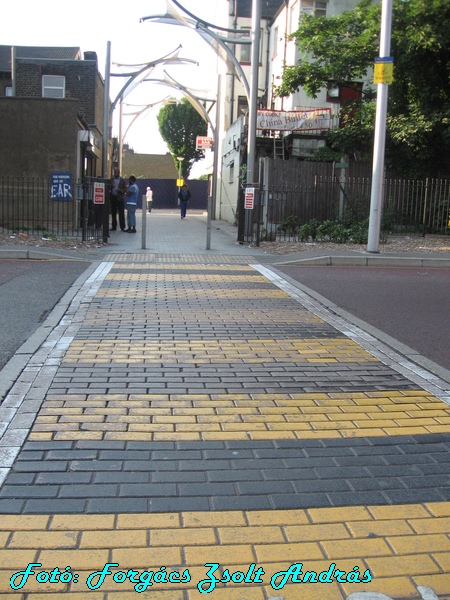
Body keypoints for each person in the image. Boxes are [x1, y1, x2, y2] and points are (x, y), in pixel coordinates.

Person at [109, 167, 126, 231]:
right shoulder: (112, 179)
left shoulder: (122, 180)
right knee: (113, 213)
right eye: (114, 172)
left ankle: (122, 227)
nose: (115, 173)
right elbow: (108, 188)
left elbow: (125, 189)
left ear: (119, 172)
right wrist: (111, 186)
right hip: (113, 197)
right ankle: (114, 226)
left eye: (116, 172)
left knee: (121, 213)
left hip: (120, 198)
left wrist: (120, 190)